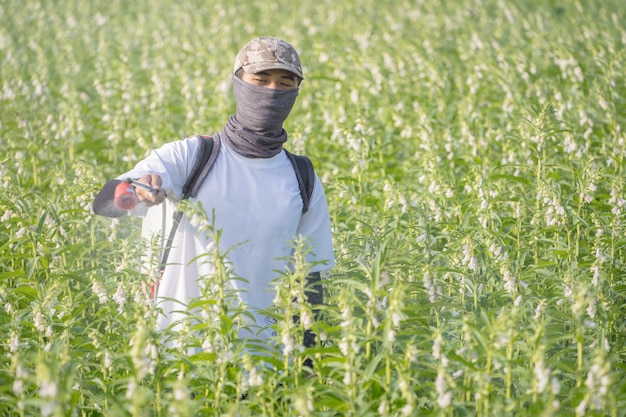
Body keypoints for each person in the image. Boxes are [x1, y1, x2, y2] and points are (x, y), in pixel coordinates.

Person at [98, 36, 334, 359]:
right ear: (239, 83)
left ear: (295, 92)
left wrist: (309, 366)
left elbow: (312, 282)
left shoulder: (302, 178)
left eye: (284, 84)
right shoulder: (192, 157)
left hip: (265, 369)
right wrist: (137, 190)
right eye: (260, 80)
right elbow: (107, 201)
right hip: (183, 361)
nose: (271, 92)